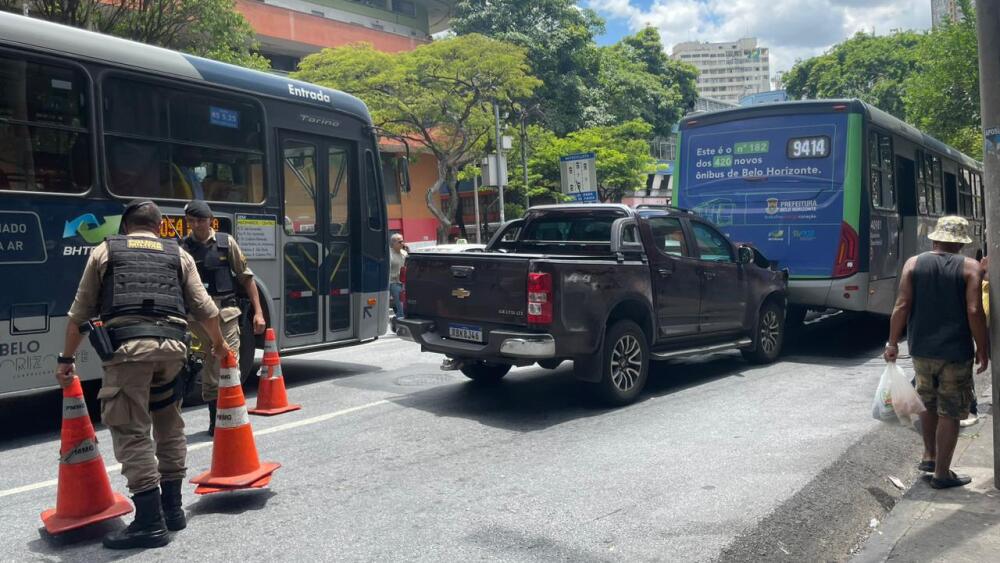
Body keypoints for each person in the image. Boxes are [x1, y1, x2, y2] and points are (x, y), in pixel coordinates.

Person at [55, 200, 228, 549]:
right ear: (158, 225)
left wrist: (66, 359)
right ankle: (173, 509)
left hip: (130, 353)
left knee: (131, 430)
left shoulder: (106, 251)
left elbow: (79, 314)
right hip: (174, 351)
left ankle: (149, 522)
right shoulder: (178, 254)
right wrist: (220, 346)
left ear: (125, 226)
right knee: (169, 424)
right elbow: (205, 309)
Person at [884, 216, 989, 490]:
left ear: (935, 238)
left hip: (921, 350)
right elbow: (974, 311)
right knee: (951, 411)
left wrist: (892, 343)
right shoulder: (970, 266)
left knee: (927, 404)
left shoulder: (913, 263)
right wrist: (983, 348)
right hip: (955, 352)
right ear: (962, 243)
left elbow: (902, 304)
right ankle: (942, 473)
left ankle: (929, 455)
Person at [181, 200, 266, 434]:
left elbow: (246, 278)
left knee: (229, 361)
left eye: (201, 220)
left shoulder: (226, 243)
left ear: (210, 220)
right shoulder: (183, 248)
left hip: (225, 313)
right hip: (197, 317)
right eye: (192, 221)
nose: (196, 225)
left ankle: (233, 414)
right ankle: (215, 419)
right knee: (209, 366)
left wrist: (258, 312)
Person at [389, 233, 408, 320]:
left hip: (403, 283)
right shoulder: (389, 254)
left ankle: (397, 320)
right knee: (400, 305)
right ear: (393, 243)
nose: (402, 243)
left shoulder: (404, 253)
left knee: (403, 305)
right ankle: (399, 319)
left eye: (403, 241)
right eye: (400, 242)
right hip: (393, 282)